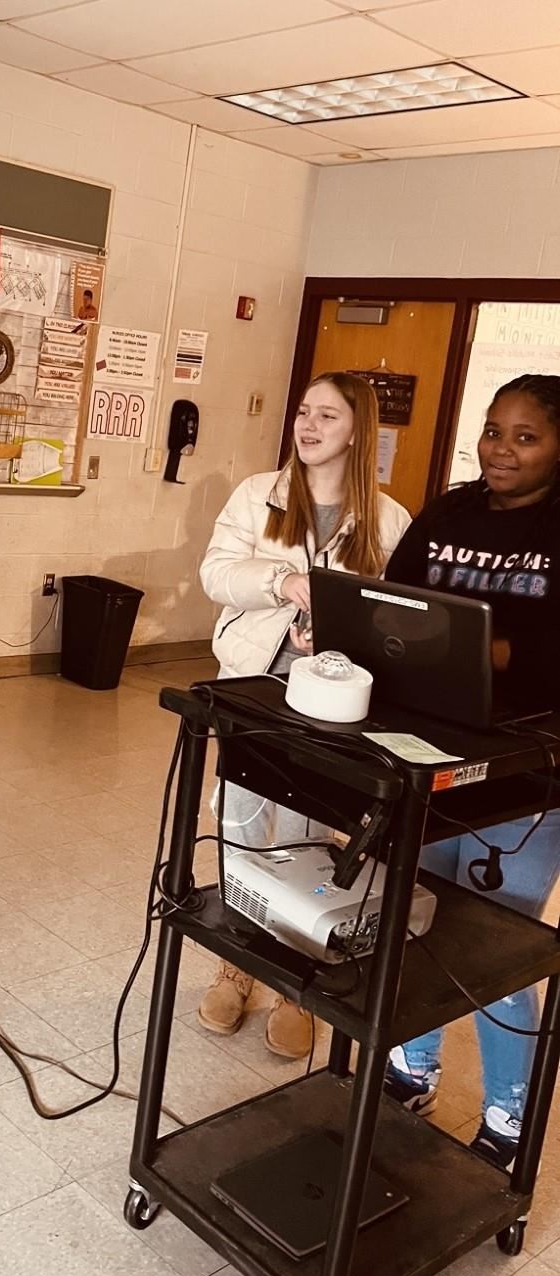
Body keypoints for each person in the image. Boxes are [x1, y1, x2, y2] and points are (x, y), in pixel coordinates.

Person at [197, 371, 411, 1058]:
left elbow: (395, 617)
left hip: (338, 704)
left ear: (357, 430)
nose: (308, 425)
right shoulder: (256, 494)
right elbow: (215, 573)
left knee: (320, 840)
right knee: (243, 823)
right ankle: (235, 965)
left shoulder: (388, 517)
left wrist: (340, 632)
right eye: (303, 412)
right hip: (257, 685)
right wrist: (282, 584)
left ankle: (300, 987)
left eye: (327, 415)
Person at [381, 372, 560, 1169]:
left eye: (525, 436)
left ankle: (507, 1115)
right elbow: (389, 602)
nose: (501, 449)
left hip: (528, 778)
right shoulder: (447, 510)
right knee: (417, 922)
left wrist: (496, 651)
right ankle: (412, 1065)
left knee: (492, 950)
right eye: (493, 431)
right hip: (429, 756)